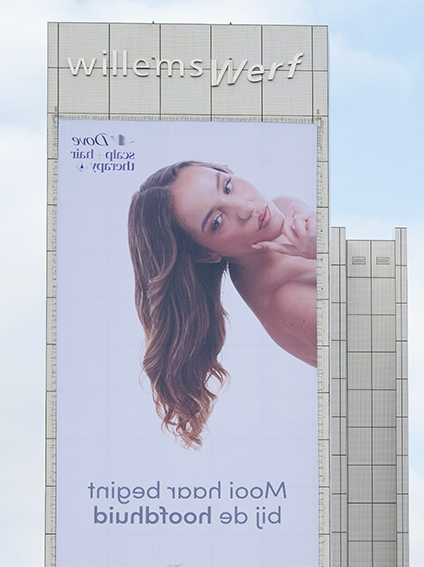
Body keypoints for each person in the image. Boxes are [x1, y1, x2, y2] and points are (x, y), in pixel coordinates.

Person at [127, 161, 317, 446]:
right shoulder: (284, 302)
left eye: (227, 186)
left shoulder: (281, 207)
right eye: (216, 222)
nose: (246, 208)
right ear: (207, 254)